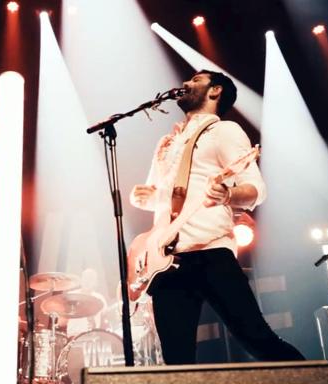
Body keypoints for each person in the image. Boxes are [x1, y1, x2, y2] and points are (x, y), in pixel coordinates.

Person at [129, 70, 304, 364]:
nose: (186, 84)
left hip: (210, 253)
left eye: (196, 81)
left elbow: (256, 190)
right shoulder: (167, 142)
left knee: (257, 338)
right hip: (165, 263)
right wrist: (143, 197)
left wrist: (228, 195)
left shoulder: (225, 131)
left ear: (215, 91)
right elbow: (160, 197)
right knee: (176, 361)